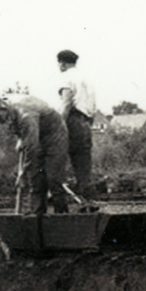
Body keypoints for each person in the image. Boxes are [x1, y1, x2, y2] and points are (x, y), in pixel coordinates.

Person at [0, 94, 70, 214]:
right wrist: (21, 140)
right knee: (35, 179)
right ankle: (37, 219)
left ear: (2, 107)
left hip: (55, 136)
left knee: (53, 177)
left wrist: (22, 174)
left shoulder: (25, 115)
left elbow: (32, 147)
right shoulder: (10, 111)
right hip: (37, 134)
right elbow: (23, 133)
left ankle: (62, 217)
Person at [57, 49, 98, 201]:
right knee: (83, 164)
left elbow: (66, 104)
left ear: (62, 63)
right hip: (86, 121)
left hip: (73, 120)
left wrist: (59, 126)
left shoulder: (66, 78)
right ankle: (87, 200)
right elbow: (93, 108)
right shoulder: (86, 79)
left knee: (56, 157)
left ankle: (57, 198)